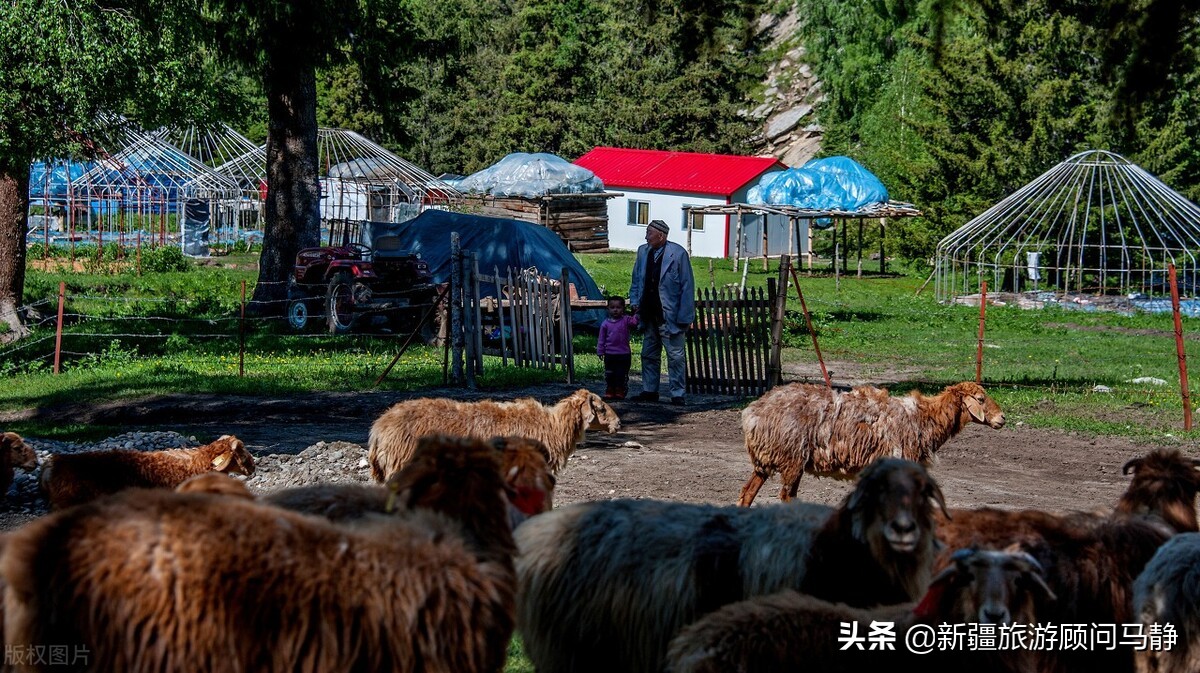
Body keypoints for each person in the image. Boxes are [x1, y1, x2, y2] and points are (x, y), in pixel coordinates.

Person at [629, 219, 695, 405]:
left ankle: (677, 393)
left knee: (675, 356)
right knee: (648, 354)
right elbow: (636, 279)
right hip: (649, 312)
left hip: (670, 314)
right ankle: (650, 390)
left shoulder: (678, 253)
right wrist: (635, 301)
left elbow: (687, 286)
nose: (646, 236)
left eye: (649, 233)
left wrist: (684, 316)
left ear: (661, 235)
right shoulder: (643, 251)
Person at [596, 296, 639, 400]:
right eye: (612, 307)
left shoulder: (626, 320)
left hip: (624, 354)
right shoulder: (605, 324)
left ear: (623, 308)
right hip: (610, 354)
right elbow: (601, 339)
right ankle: (610, 389)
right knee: (609, 373)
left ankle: (620, 390)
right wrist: (600, 351)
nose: (615, 310)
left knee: (621, 373)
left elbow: (634, 323)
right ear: (608, 309)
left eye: (618, 307)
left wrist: (637, 313)